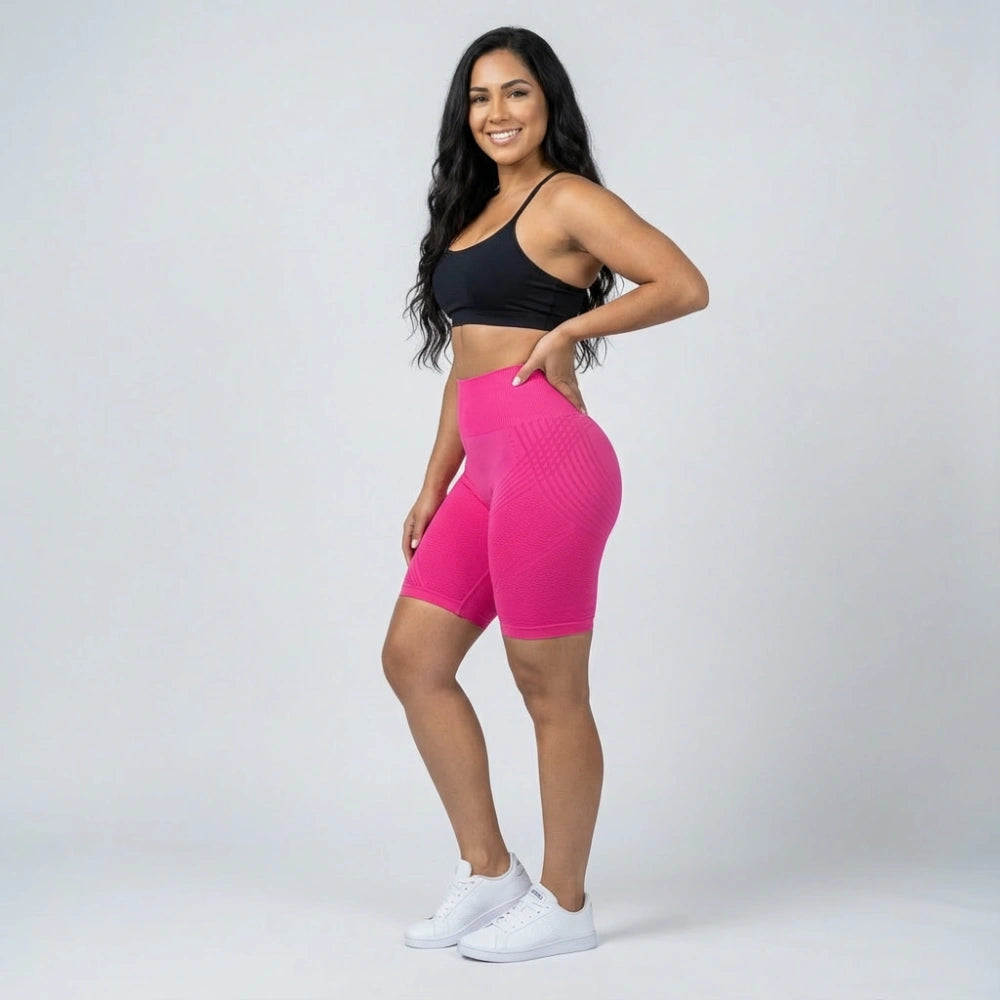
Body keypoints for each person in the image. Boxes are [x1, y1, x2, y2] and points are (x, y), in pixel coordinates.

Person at [381, 26, 708, 963]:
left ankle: (567, 904)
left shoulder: (567, 198)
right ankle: (491, 874)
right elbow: (466, 363)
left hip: (549, 459)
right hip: (484, 467)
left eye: (516, 92)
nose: (497, 113)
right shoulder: (471, 211)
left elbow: (683, 284)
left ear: (548, 102)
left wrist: (571, 333)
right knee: (413, 660)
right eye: (480, 97)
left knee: (547, 685)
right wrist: (434, 480)